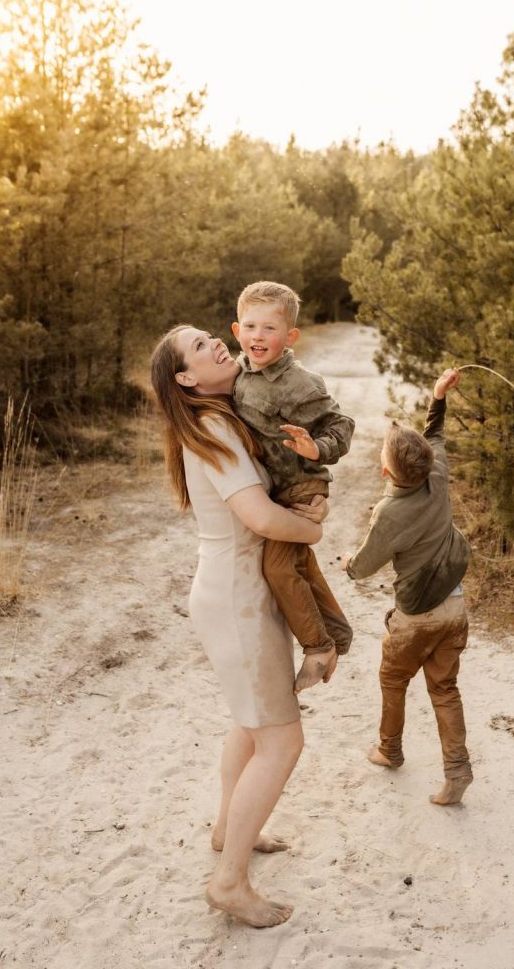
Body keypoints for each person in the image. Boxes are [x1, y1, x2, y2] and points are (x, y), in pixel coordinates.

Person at [151, 323, 327, 928]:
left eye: (209, 337)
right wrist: (312, 527)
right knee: (283, 739)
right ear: (185, 378)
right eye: (199, 347)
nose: (215, 345)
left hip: (232, 592)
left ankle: (229, 831)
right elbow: (259, 516)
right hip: (238, 598)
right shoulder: (217, 426)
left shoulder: (214, 419)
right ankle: (228, 883)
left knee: (251, 726)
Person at [342, 369, 474, 806]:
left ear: (384, 470)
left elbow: (364, 566)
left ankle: (389, 749)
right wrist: (438, 397)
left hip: (416, 616)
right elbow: (435, 435)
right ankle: (457, 771)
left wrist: (348, 566)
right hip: (454, 605)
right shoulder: (437, 475)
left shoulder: (388, 513)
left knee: (393, 678)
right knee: (444, 688)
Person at [232, 281, 354, 693]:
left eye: (269, 328)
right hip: (273, 488)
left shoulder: (302, 383)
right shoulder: (239, 374)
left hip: (301, 486)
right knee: (300, 564)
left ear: (290, 337)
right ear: (236, 331)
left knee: (279, 567)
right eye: (250, 327)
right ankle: (337, 632)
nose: (258, 337)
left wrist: (316, 448)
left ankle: (318, 647)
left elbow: (343, 426)